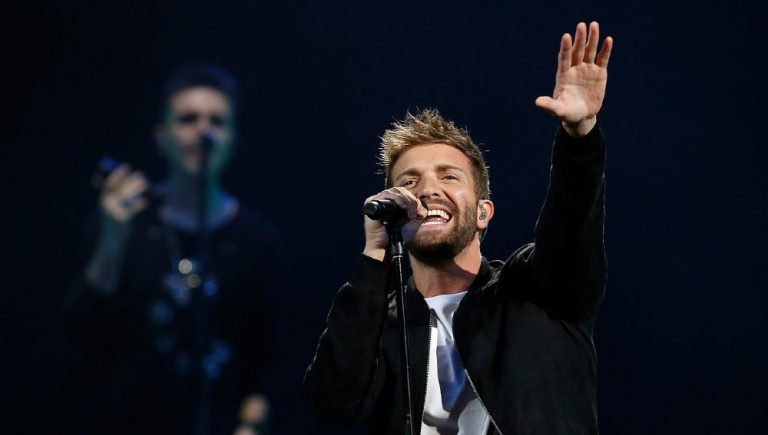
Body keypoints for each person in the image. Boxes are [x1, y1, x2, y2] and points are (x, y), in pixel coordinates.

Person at [304, 21, 612, 434]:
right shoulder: (378, 321)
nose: (428, 190)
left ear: (484, 212)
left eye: (448, 176)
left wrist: (579, 137)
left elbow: (571, 226)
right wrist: (375, 254)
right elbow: (334, 402)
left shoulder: (535, 293)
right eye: (409, 181)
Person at [64, 64, 279, 435]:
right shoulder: (125, 220)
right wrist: (112, 239)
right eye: (188, 119)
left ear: (232, 139)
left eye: (216, 121)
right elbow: (81, 331)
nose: (203, 132)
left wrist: (252, 424)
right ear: (161, 137)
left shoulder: (256, 240)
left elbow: (270, 353)